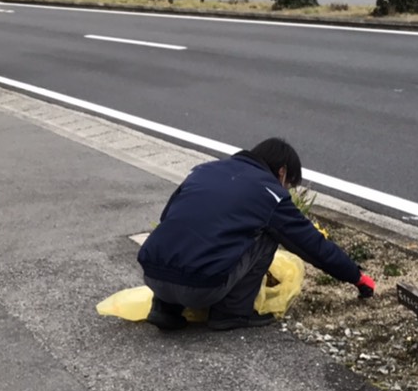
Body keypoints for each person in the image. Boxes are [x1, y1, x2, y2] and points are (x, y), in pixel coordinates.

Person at [137, 138, 376, 332]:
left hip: (153, 274)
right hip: (202, 287)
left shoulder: (204, 171)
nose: (288, 192)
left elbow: (168, 216)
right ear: (282, 173)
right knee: (268, 234)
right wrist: (356, 277)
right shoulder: (269, 193)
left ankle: (164, 308)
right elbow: (312, 245)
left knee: (188, 227)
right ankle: (231, 313)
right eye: (289, 186)